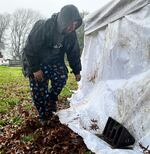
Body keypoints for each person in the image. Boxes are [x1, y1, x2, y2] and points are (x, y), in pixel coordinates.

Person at [22, 5, 82, 125]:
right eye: (70, 24)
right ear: (63, 21)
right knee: (39, 89)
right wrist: (35, 69)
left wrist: (76, 70)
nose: (72, 27)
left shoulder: (71, 35)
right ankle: (43, 115)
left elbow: (73, 52)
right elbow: (29, 48)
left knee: (61, 77)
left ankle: (51, 99)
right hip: (37, 62)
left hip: (55, 62)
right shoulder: (43, 26)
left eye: (75, 25)